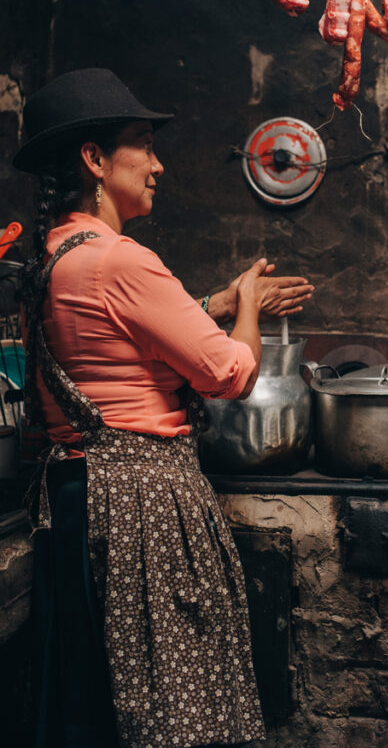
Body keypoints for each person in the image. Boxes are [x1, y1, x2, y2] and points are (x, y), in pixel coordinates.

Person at [13, 67, 314, 748]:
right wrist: (245, 300)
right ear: (94, 159)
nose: (157, 165)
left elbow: (121, 339)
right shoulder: (121, 260)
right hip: (140, 500)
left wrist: (216, 307)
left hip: (79, 496)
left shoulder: (56, 257)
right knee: (169, 704)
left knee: (100, 696)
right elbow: (229, 373)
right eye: (142, 145)